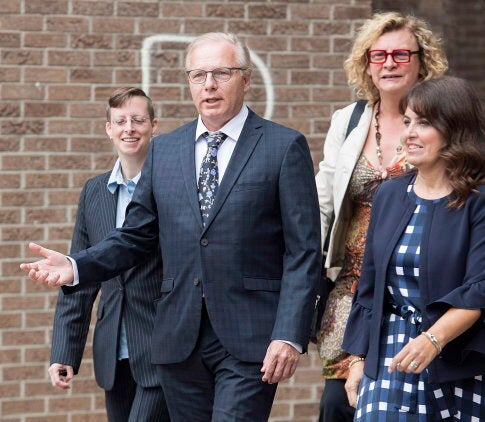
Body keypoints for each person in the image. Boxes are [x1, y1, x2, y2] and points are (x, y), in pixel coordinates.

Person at [20, 32, 321, 422]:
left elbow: (304, 251)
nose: (209, 84)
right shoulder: (165, 150)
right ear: (188, 83)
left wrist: (289, 333)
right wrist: (77, 266)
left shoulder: (283, 147)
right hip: (179, 339)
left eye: (221, 73)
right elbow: (135, 236)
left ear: (246, 80)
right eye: (198, 75)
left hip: (251, 339)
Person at [342, 76, 485, 420]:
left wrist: (432, 339)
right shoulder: (389, 194)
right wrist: (357, 359)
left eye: (424, 123)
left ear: (455, 130)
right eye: (407, 121)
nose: (410, 133)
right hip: (391, 353)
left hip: (465, 359)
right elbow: (368, 289)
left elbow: (481, 289)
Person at [315, 12, 447, 421]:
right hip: (353, 287)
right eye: (379, 55)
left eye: (401, 55)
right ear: (366, 63)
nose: (389, 63)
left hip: (414, 288)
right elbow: (323, 200)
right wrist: (306, 268)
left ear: (422, 62)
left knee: (399, 403)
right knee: (338, 404)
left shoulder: (442, 122)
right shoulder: (349, 120)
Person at [49, 87, 169, 421]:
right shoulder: (94, 192)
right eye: (120, 121)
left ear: (154, 125)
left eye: (138, 120)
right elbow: (80, 278)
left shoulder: (172, 185)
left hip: (163, 347)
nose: (129, 128)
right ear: (109, 129)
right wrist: (64, 352)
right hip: (114, 352)